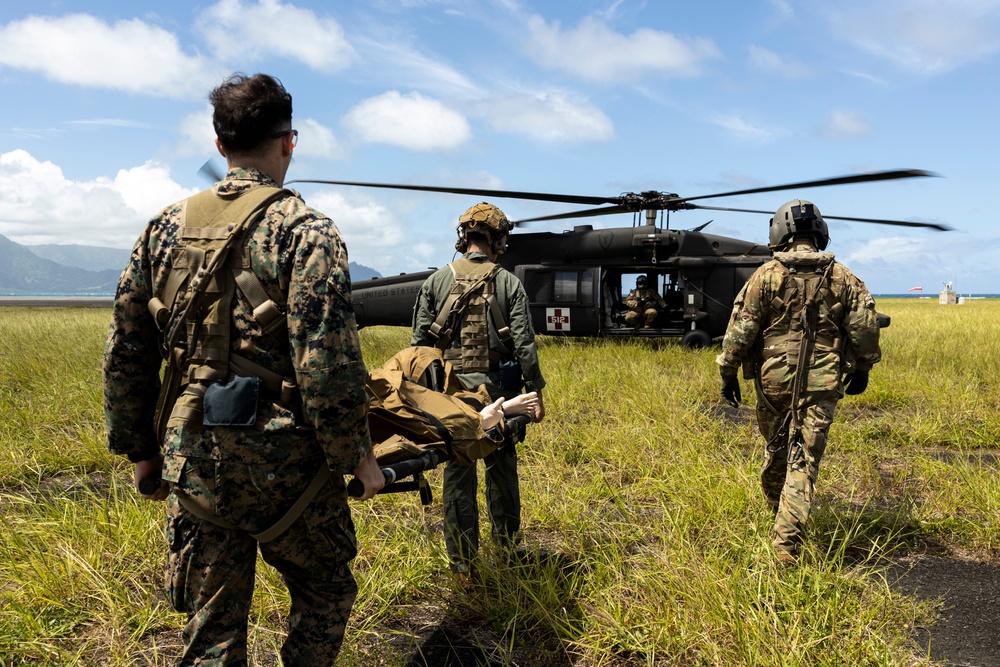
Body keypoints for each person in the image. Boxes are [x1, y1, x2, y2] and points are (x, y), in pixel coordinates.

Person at [103, 72, 383, 666]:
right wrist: (355, 458)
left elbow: (126, 355)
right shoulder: (307, 233)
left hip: (194, 462)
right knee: (325, 588)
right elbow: (328, 365)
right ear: (289, 142)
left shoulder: (160, 230)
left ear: (219, 142)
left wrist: (143, 453)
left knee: (212, 635)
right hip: (289, 469)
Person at [716, 199, 881, 564]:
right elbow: (865, 329)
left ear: (779, 234)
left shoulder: (764, 276)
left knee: (778, 449)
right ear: (818, 233)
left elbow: (740, 332)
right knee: (803, 459)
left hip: (773, 382)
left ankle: (783, 538)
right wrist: (864, 368)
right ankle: (786, 532)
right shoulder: (843, 277)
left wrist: (728, 373)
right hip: (821, 383)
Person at [411, 201, 546, 575]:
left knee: (458, 479)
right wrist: (535, 392)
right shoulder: (509, 283)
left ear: (464, 237)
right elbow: (524, 345)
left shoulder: (436, 281)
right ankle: (505, 553)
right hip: (501, 398)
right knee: (502, 473)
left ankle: (462, 565)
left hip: (450, 403)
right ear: (498, 238)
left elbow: (417, 348)